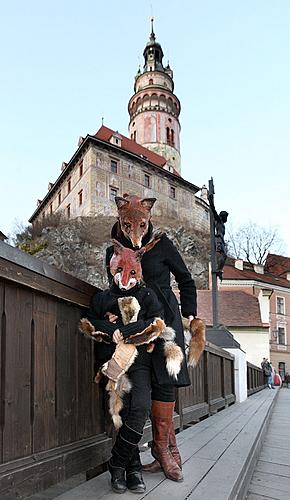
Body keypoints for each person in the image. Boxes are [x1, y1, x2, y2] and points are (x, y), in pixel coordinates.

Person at [106, 194, 198, 483]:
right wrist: (110, 313)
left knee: (167, 384)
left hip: (166, 323)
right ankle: (165, 451)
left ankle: (165, 450)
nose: (136, 232)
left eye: (142, 225)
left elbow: (186, 280)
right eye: (129, 224)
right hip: (136, 328)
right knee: (143, 388)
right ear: (120, 219)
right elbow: (113, 288)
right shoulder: (113, 251)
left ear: (149, 218)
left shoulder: (163, 244)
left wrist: (191, 314)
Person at [82, 239, 183, 494]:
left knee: (140, 408)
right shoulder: (103, 297)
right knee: (124, 413)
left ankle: (117, 463)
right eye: (119, 271)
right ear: (110, 266)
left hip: (140, 363)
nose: (124, 278)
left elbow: (156, 322)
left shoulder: (146, 294)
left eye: (131, 273)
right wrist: (110, 328)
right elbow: (89, 322)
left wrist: (125, 330)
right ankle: (133, 468)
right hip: (112, 363)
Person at [207, 191, 229, 280]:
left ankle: (219, 270)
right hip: (219, 239)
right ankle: (218, 269)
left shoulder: (222, 224)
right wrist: (210, 200)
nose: (226, 218)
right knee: (222, 255)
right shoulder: (219, 221)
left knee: (224, 256)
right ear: (223, 216)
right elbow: (213, 209)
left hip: (222, 240)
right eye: (226, 216)